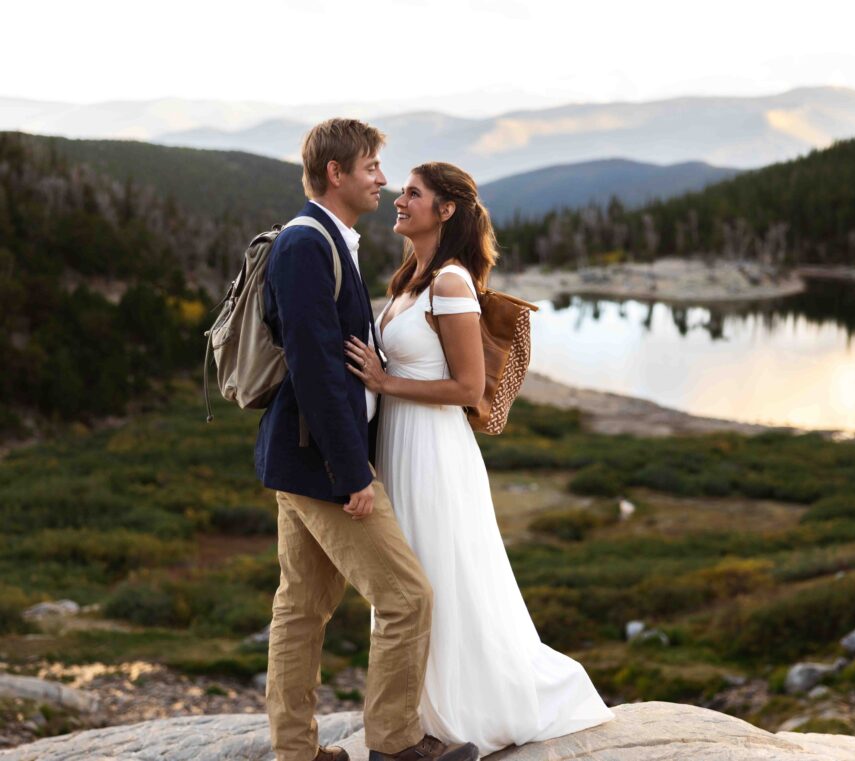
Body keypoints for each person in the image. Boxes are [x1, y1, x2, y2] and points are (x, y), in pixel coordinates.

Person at [346, 162, 615, 757]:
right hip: (400, 445)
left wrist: (386, 384)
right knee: (409, 577)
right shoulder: (408, 280)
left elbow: (469, 388)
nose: (398, 199)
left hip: (434, 450)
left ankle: (466, 707)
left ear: (445, 210)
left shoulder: (450, 282)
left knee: (441, 573)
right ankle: (417, 708)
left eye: (412, 194)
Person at [255, 121, 478, 761]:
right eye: (374, 167)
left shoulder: (332, 241)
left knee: (301, 608)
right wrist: (353, 473)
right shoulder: (306, 245)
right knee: (408, 598)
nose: (383, 179)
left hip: (299, 458)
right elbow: (317, 371)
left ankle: (296, 752)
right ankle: (396, 745)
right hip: (321, 462)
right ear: (336, 174)